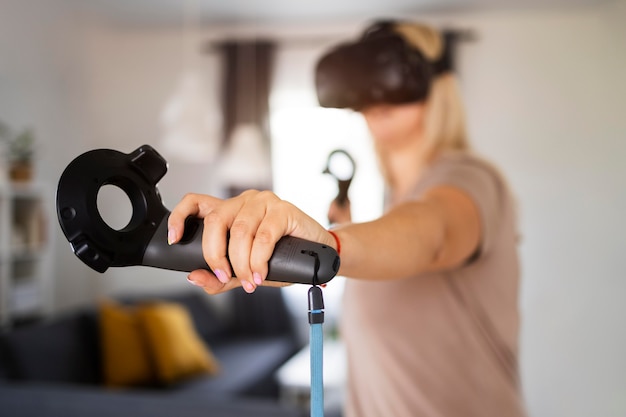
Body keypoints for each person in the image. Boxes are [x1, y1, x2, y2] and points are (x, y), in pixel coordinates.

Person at [168, 20, 526, 417]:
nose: (378, 93)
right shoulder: (393, 207)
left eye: (393, 71)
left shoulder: (469, 177)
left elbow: (433, 232)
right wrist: (347, 225)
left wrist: (328, 244)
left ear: (436, 83)